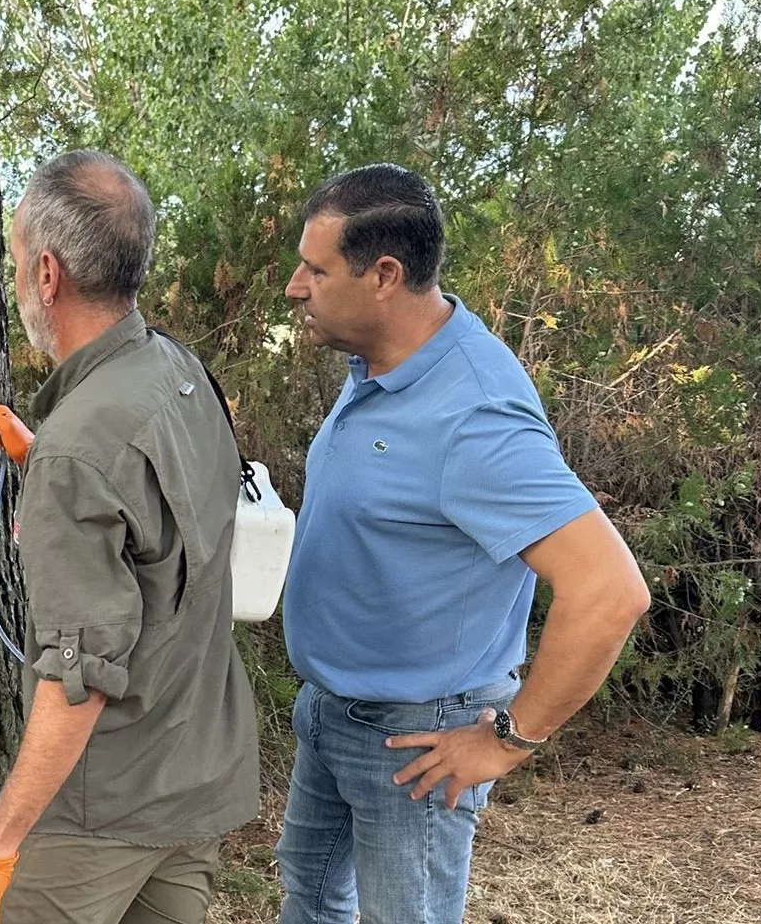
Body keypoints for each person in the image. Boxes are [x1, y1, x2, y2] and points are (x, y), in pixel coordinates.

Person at [274, 163, 651, 924]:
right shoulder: (381, 360)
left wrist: (508, 738)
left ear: (384, 275)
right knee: (310, 900)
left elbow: (611, 590)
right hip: (333, 710)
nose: (293, 285)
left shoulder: (473, 417)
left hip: (413, 739)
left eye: (315, 269)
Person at [0, 150, 260, 924]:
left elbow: (75, 682)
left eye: (18, 259)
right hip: (192, 777)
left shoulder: (81, 448)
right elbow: (160, 543)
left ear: (48, 274)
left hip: (100, 807)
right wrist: (37, 451)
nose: (17, 274)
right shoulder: (182, 373)